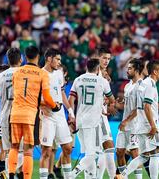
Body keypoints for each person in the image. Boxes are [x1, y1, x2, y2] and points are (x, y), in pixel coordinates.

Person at [8, 46, 61, 179]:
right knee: (28, 150)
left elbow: (16, 91)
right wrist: (55, 106)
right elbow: (47, 97)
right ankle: (26, 177)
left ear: (25, 57)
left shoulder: (17, 72)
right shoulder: (42, 73)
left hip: (14, 113)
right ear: (38, 57)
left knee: (14, 146)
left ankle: (10, 175)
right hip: (30, 116)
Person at [69, 58, 116, 178]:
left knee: (87, 153)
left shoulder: (78, 80)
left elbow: (71, 100)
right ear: (98, 69)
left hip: (80, 120)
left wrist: (72, 116)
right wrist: (109, 105)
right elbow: (111, 99)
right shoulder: (102, 81)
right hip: (93, 122)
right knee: (94, 154)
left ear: (87, 67)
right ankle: (71, 175)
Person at [120, 60, 159, 179]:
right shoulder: (150, 84)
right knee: (155, 151)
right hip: (148, 124)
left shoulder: (143, 84)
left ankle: (122, 175)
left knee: (144, 155)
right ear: (155, 72)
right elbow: (146, 106)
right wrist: (153, 126)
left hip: (140, 124)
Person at [0, 48, 23, 179]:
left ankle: (7, 173)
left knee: (8, 151)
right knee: (24, 151)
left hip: (5, 117)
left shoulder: (0, 77)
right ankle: (9, 173)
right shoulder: (25, 73)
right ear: (21, 59)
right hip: (22, 116)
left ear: (8, 59)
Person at [39, 48, 75, 179]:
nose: (60, 62)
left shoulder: (59, 73)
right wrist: (43, 106)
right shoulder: (40, 74)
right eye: (57, 59)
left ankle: (68, 177)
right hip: (47, 117)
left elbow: (62, 93)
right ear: (49, 59)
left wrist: (70, 111)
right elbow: (35, 97)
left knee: (67, 148)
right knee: (46, 151)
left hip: (60, 117)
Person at [115, 58, 144, 178]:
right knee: (119, 152)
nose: (127, 70)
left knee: (135, 154)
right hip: (125, 125)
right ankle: (123, 177)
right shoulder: (127, 86)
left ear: (137, 70)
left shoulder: (141, 85)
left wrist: (126, 121)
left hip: (135, 126)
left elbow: (139, 108)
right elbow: (126, 106)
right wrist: (115, 104)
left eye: (130, 68)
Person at [96, 48, 117, 179]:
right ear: (98, 57)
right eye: (104, 58)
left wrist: (109, 103)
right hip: (98, 116)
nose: (106, 61)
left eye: (108, 59)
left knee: (102, 149)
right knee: (108, 146)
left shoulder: (105, 74)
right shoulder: (97, 74)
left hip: (102, 114)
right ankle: (113, 176)